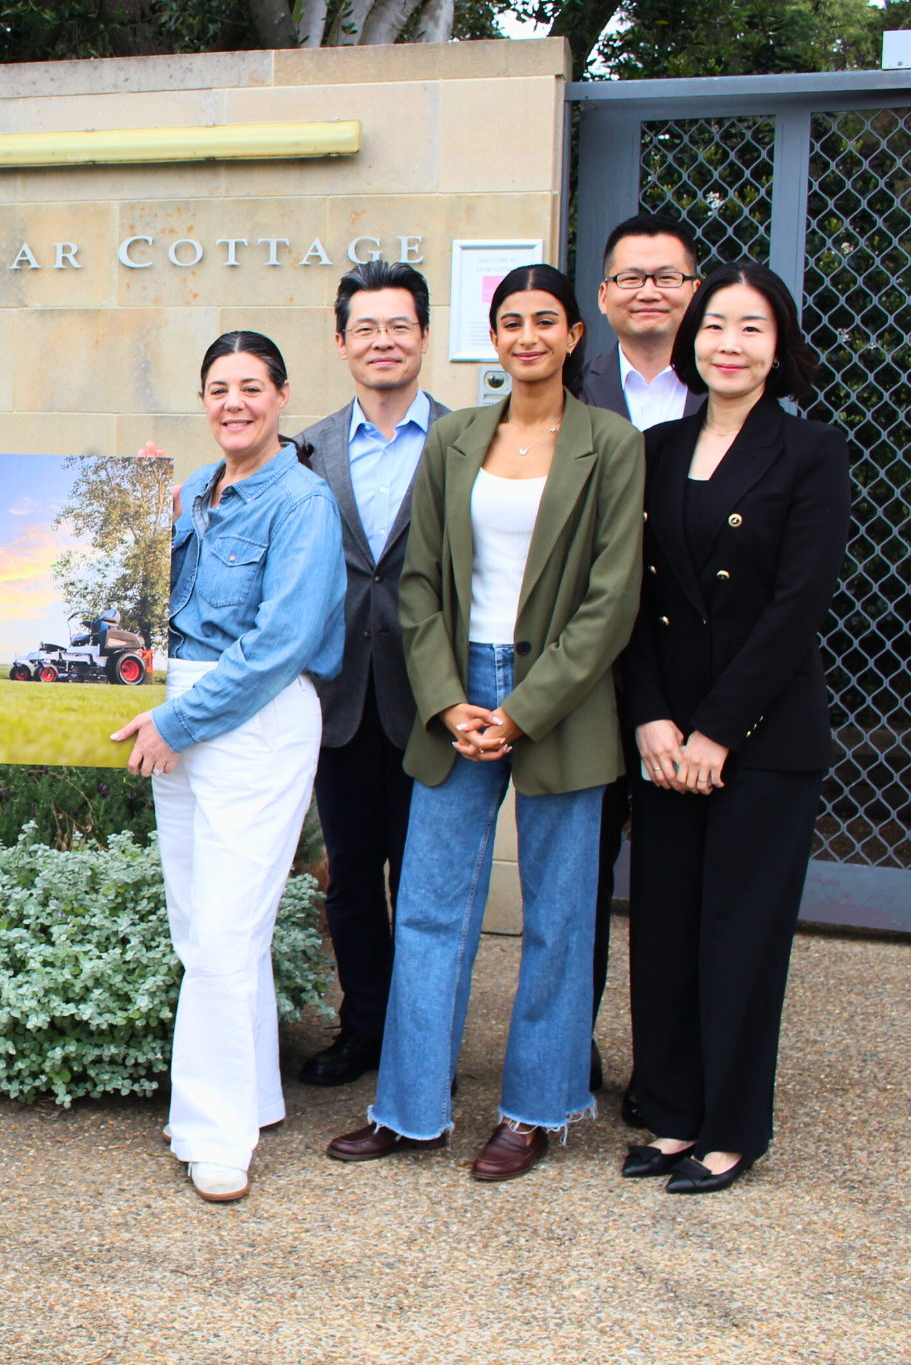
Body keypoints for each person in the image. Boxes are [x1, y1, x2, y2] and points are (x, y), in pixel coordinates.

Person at [327, 263, 644, 1181]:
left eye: (546, 320)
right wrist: (446, 697)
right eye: (512, 321)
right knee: (428, 906)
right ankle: (409, 1106)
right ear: (493, 338)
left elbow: (610, 599)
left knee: (556, 914)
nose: (529, 335)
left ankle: (533, 1110)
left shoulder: (612, 445)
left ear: (575, 335)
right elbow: (419, 580)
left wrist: (525, 708)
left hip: (561, 703)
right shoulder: (458, 438)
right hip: (458, 699)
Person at [621, 264, 848, 1195]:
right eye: (716, 325)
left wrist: (716, 730)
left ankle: (731, 1128)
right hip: (666, 736)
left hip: (760, 738)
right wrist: (650, 719)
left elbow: (798, 604)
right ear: (691, 339)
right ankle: (672, 1114)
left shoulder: (813, 451)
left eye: (752, 329)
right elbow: (630, 596)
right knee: (664, 929)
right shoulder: (657, 447)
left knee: (741, 932)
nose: (729, 344)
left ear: (777, 347)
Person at [113, 332, 346, 1204]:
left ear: (282, 397)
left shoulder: (302, 503)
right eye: (218, 388)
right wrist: (142, 503)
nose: (233, 402)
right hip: (179, 716)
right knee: (205, 925)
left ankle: (215, 1136)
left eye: (251, 386)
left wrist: (180, 718)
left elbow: (282, 644)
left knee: (222, 930)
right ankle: (253, 1096)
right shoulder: (195, 496)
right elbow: (146, 607)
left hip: (247, 722)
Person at [294, 261, 450, 1087]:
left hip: (437, 701)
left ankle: (423, 1045)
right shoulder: (307, 448)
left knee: (426, 884)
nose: (383, 341)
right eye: (366, 328)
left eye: (399, 326)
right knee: (352, 878)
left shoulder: (470, 441)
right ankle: (364, 1031)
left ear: (423, 336)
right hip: (341, 700)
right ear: (342, 340)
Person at [582, 212, 705, 1103]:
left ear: (693, 292)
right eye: (631, 276)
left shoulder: (731, 382)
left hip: (688, 684)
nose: (648, 290)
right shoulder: (569, 385)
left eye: (666, 275)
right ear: (603, 295)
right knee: (576, 879)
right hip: (586, 681)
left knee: (675, 885)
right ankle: (565, 1049)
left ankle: (668, 1066)